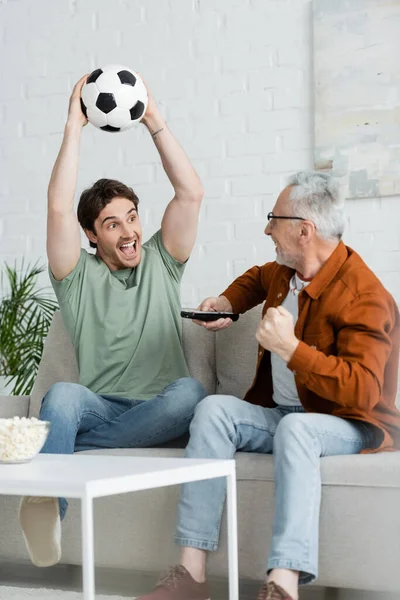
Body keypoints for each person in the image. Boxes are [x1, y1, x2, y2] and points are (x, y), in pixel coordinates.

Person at [138, 171, 400, 600]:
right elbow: (256, 278)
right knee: (213, 409)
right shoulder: (286, 271)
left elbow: (364, 391)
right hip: (284, 414)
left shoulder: (365, 295)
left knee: (298, 429)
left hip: (351, 422)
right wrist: (227, 302)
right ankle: (191, 575)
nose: (266, 229)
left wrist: (292, 349)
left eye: (273, 219)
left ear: (304, 230)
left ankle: (283, 585)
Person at [19, 74, 207, 568]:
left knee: (190, 393)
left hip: (162, 411)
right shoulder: (76, 280)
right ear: (91, 236)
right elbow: (57, 207)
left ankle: (64, 442)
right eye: (112, 223)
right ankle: (48, 512)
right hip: (103, 406)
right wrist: (73, 127)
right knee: (61, 396)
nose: (128, 232)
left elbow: (190, 194)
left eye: (131, 217)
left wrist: (154, 121)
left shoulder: (163, 260)